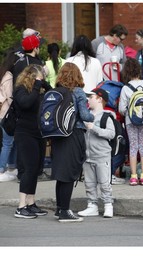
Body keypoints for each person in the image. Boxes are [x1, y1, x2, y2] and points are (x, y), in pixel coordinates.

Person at [50, 62, 95, 222]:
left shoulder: (56, 91)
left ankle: (59, 209)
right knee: (69, 173)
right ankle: (65, 211)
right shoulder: (78, 92)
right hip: (73, 134)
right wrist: (93, 114)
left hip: (57, 135)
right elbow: (84, 115)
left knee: (61, 174)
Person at [13, 64, 52, 218]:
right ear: (31, 77)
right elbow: (26, 103)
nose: (40, 82)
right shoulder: (20, 90)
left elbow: (52, 93)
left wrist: (44, 82)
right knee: (29, 169)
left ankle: (31, 202)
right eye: (38, 78)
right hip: (24, 133)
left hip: (38, 133)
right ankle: (21, 206)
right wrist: (37, 85)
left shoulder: (38, 90)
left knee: (36, 169)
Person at [78, 88, 115, 218]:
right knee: (89, 183)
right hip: (87, 156)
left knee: (105, 183)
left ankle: (108, 205)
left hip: (102, 156)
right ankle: (92, 205)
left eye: (91, 97)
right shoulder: (86, 115)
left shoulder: (106, 116)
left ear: (99, 99)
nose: (88, 99)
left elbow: (111, 133)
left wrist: (94, 128)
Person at [119, 58, 143, 186]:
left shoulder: (125, 88)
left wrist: (130, 113)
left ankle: (134, 176)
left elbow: (122, 109)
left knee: (133, 147)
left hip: (131, 121)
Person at [0, 48, 19, 182]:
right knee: (7, 142)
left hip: (3, 113)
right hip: (6, 114)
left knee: (10, 141)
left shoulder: (2, 73)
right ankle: (1, 169)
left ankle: (11, 167)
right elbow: (10, 96)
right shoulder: (9, 76)